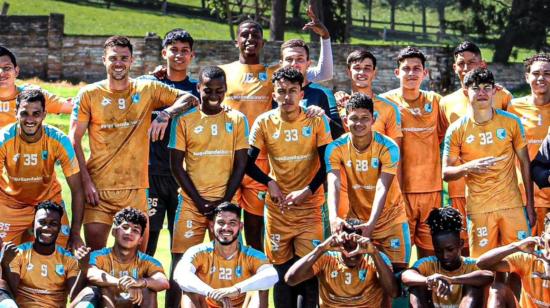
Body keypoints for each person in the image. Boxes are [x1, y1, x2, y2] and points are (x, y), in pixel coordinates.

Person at [69, 35, 198, 251]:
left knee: (135, 261)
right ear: (104, 60)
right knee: (94, 258)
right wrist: (86, 181)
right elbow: (74, 140)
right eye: (113, 58)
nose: (118, 63)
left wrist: (166, 114)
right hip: (99, 189)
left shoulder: (146, 89)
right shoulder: (88, 94)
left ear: (131, 61)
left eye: (123, 58)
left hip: (136, 189)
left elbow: (190, 98)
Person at [220, 8, 332, 251]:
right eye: (244, 35)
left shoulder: (276, 74)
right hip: (225, 156)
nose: (250, 39)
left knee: (255, 229)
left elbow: (323, 73)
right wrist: (158, 77)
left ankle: (256, 283)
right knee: (222, 223)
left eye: (255, 35)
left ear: (263, 42)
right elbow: (201, 94)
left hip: (258, 160)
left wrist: (325, 37)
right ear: (235, 40)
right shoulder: (224, 72)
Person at [246, 67, 332, 307]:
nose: (287, 97)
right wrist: (269, 182)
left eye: (293, 91)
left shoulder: (315, 121)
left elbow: (329, 162)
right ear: (274, 94)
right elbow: (246, 163)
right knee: (281, 273)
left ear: (301, 94)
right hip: (279, 209)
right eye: (281, 91)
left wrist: (308, 190)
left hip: (309, 209)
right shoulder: (264, 122)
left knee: (308, 271)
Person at [167, 66, 249, 306]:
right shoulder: (184, 120)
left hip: (227, 205)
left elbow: (240, 164)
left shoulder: (237, 119)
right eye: (208, 90)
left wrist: (224, 203)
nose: (214, 95)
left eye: (219, 90)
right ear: (198, 88)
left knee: (231, 264)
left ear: (226, 90)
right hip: (192, 204)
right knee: (181, 265)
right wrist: (199, 201)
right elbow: (176, 166)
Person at [442, 68, 535, 258]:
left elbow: (525, 163)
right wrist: (468, 167)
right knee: (483, 266)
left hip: (512, 205)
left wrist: (530, 205)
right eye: (476, 88)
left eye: (487, 87)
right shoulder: (457, 129)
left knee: (523, 260)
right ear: (467, 92)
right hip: (479, 208)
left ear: (494, 91)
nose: (482, 92)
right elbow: (446, 172)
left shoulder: (511, 122)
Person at [441, 41, 513, 252]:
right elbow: (444, 144)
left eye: (471, 63)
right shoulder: (445, 102)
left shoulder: (502, 96)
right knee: (464, 244)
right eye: (461, 64)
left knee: (503, 249)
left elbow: (515, 139)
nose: (466, 68)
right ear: (455, 67)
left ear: (483, 65)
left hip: (498, 188)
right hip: (460, 188)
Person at [325, 92, 410, 271]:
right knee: (358, 274)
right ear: (345, 120)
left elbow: (382, 187)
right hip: (357, 221)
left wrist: (372, 224)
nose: (359, 123)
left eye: (365, 118)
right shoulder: (335, 148)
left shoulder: (388, 146)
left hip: (391, 220)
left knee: (398, 276)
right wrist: (333, 217)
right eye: (354, 118)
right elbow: (333, 181)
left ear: (374, 119)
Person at [380, 46, 449, 257]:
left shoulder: (436, 101)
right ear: (397, 72)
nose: (411, 73)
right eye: (406, 68)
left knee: (429, 256)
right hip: (399, 192)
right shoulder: (385, 102)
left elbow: (447, 131)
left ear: (425, 73)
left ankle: (428, 291)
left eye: (416, 68)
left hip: (431, 190)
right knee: (399, 256)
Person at [138, 29, 200, 257]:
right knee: (146, 243)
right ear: (164, 52)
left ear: (192, 56)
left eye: (185, 51)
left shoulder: (197, 90)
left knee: (181, 251)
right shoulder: (148, 85)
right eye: (174, 50)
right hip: (150, 174)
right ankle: (143, 293)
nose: (179, 55)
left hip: (183, 177)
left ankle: (179, 293)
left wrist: (166, 114)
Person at [0, 89, 84, 249]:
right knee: (3, 261)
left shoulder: (58, 140)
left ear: (44, 114)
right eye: (24, 113)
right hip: (10, 205)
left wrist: (75, 234)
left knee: (62, 258)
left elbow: (77, 189)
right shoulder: (3, 140)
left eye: (36, 113)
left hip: (49, 204)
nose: (30, 119)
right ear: (16, 113)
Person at [334, 49, 403, 218]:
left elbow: (395, 155)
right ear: (348, 72)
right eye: (357, 68)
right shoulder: (337, 105)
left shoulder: (389, 108)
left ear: (374, 72)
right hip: (346, 186)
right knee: (348, 240)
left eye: (367, 68)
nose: (362, 72)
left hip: (377, 186)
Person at [174, 202, 278, 308]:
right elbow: (179, 275)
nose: (226, 228)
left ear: (240, 227)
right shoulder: (198, 252)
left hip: (242, 305)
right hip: (206, 304)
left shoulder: (252, 255)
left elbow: (272, 276)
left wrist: (235, 289)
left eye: (232, 223)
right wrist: (211, 292)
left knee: (261, 289)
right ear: (211, 226)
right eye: (221, 222)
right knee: (189, 291)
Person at [285, 219, 398, 307]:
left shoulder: (376, 258)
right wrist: (321, 249)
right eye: (347, 247)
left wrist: (375, 253)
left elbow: (393, 292)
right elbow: (291, 279)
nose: (352, 253)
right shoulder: (326, 257)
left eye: (357, 248)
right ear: (340, 244)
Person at [73, 207, 169, 307]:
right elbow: (92, 273)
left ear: (140, 239)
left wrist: (139, 282)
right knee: (102, 289)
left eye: (135, 230)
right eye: (125, 227)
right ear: (114, 232)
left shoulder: (147, 261)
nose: (129, 233)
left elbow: (163, 282)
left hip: (131, 302)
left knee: (149, 292)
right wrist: (122, 283)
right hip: (106, 301)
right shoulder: (98, 256)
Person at [1, 201, 90, 308]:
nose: (47, 227)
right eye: (42, 222)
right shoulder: (18, 253)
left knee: (90, 292)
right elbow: (11, 292)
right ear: (33, 224)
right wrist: (5, 264)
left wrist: (83, 268)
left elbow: (74, 297)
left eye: (53, 224)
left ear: (59, 228)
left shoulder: (68, 259)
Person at [402, 207, 493, 307]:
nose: (445, 256)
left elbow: (489, 276)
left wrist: (451, 280)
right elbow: (406, 275)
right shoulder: (427, 264)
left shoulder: (471, 265)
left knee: (473, 285)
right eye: (439, 251)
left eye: (450, 249)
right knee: (416, 287)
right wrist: (429, 280)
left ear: (461, 244)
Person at [508, 54, 550, 235]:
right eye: (536, 73)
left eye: (547, 73)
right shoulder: (513, 108)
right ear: (527, 77)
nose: (541, 78)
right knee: (526, 258)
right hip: (524, 198)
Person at [477, 212, 550, 307]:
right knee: (498, 290)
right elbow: (482, 264)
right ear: (543, 236)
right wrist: (516, 246)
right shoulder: (529, 258)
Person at [279, 38, 344, 139]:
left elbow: (339, 134)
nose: (294, 64)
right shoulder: (274, 94)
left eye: (300, 59)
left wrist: (323, 117)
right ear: (281, 64)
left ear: (308, 64)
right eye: (289, 59)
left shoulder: (322, 93)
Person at [0, 46, 73, 128]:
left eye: (7, 68)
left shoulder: (32, 94)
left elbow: (73, 107)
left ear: (16, 71)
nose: (1, 73)